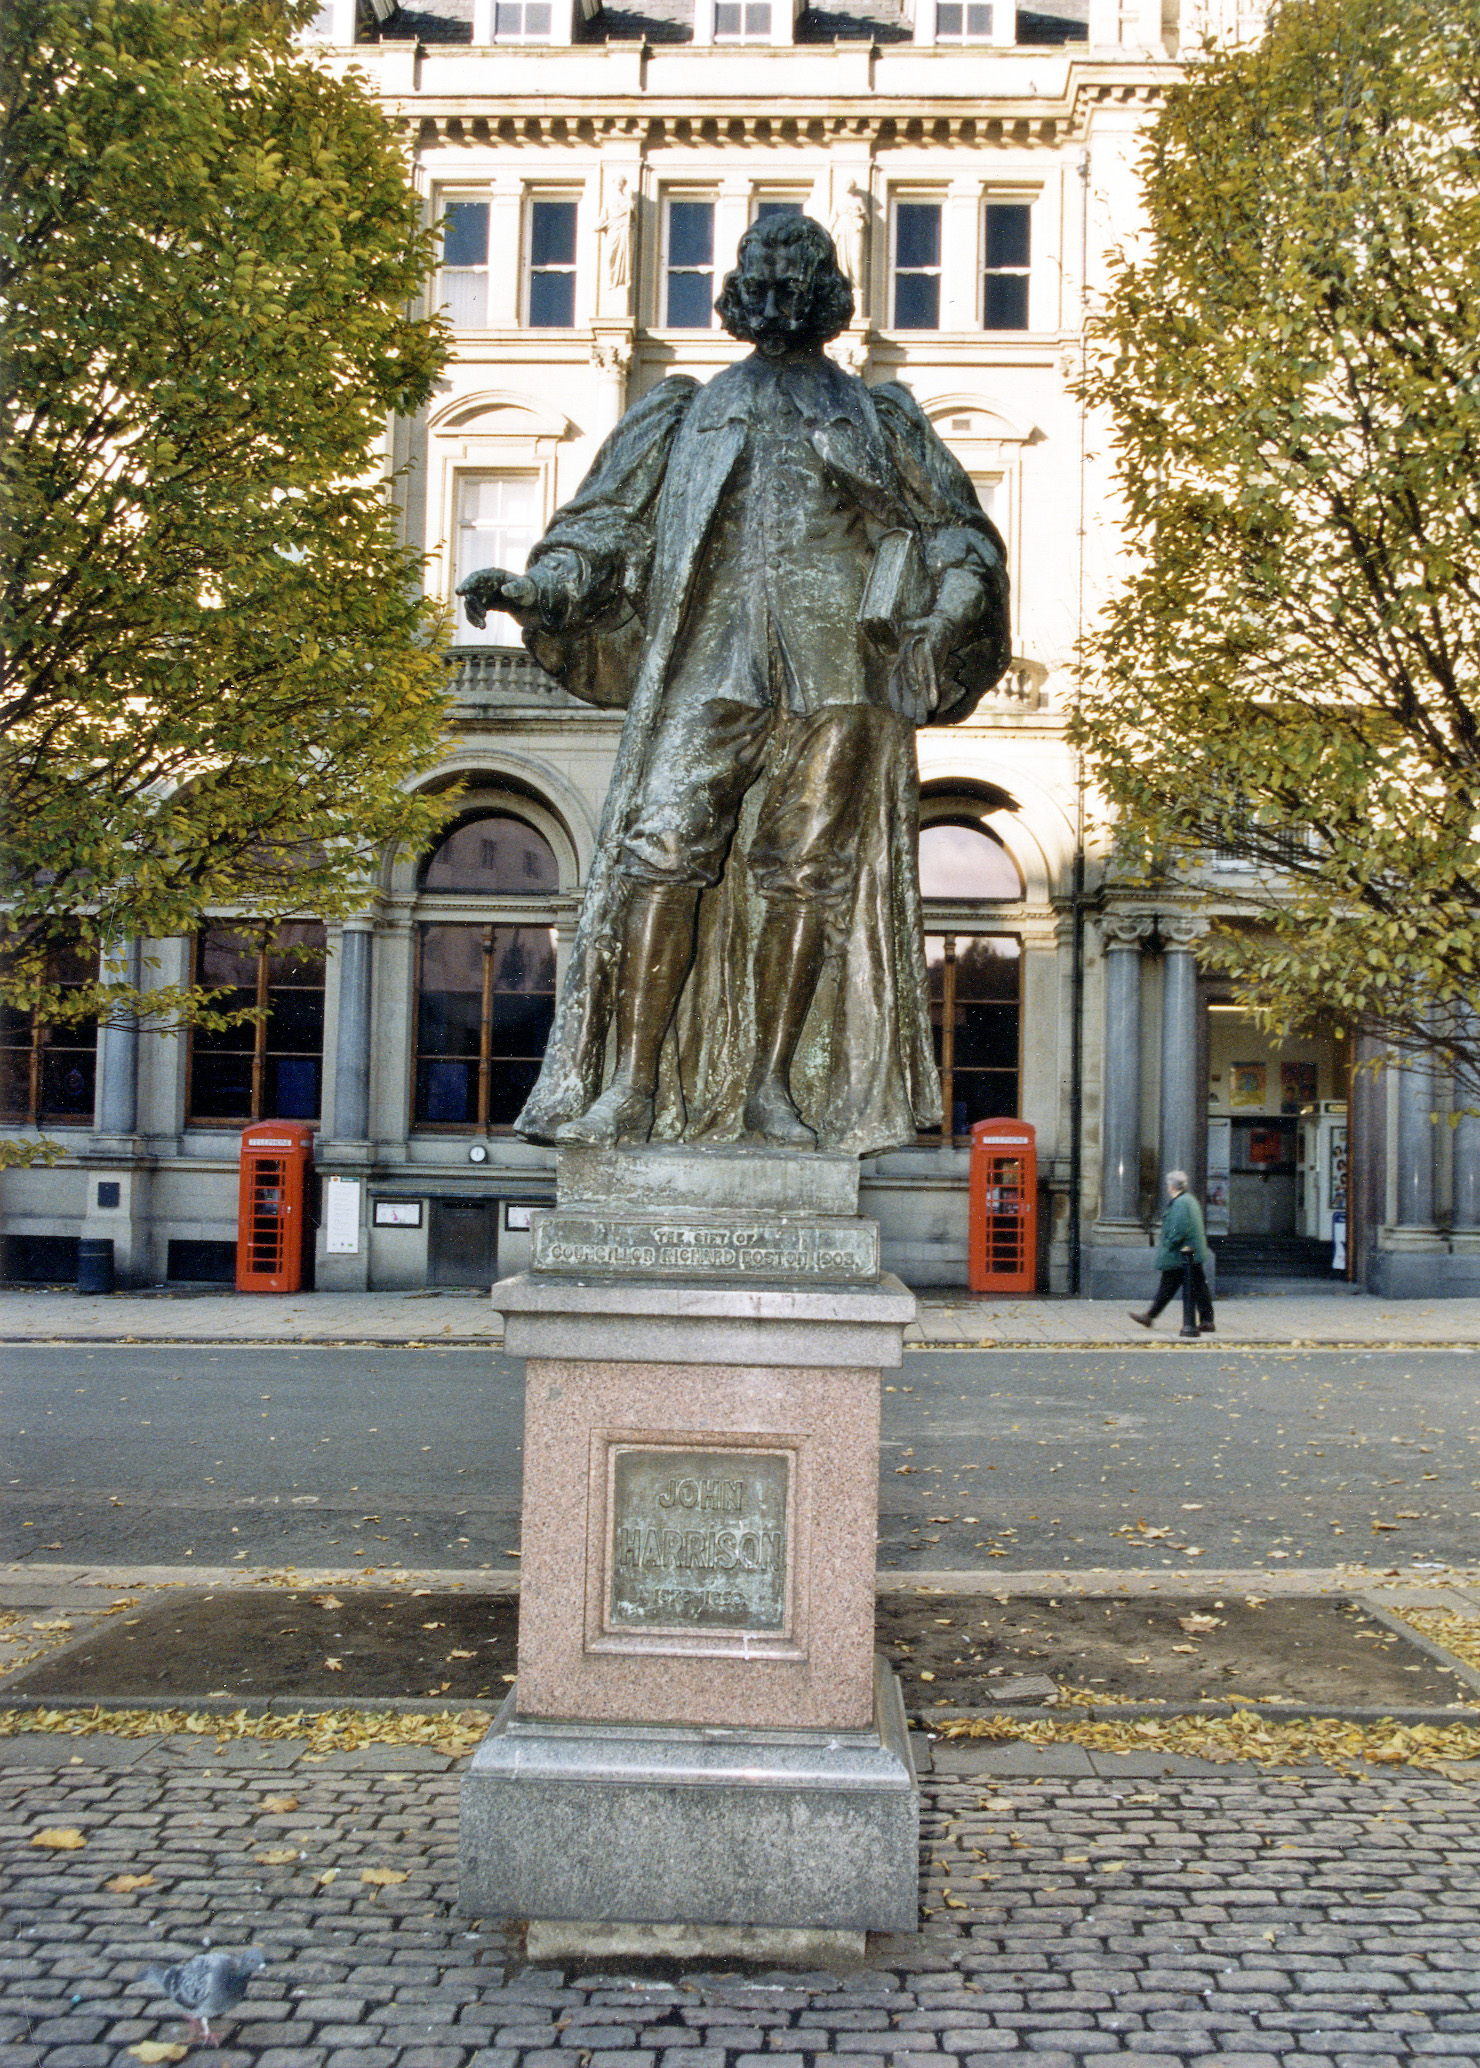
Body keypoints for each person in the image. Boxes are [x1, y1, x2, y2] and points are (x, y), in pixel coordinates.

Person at [458, 212, 1010, 1153]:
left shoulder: (882, 417)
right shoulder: (681, 409)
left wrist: (957, 599)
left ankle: (771, 1090)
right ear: (741, 290)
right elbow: (600, 529)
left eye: (800, 273)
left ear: (828, 294)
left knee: (805, 877)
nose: (782, 288)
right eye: (765, 270)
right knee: (657, 853)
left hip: (843, 671)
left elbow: (961, 533)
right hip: (711, 666)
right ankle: (629, 1086)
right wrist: (537, 586)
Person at [1131, 1171, 1215, 1333]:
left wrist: (1168, 1245)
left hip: (1180, 1254)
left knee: (1169, 1286)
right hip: (1190, 1254)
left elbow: (1178, 1229)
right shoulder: (1188, 1200)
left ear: (1171, 1186)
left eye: (1168, 1184)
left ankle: (1150, 1316)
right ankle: (1207, 1321)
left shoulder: (1181, 1203)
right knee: (1197, 1287)